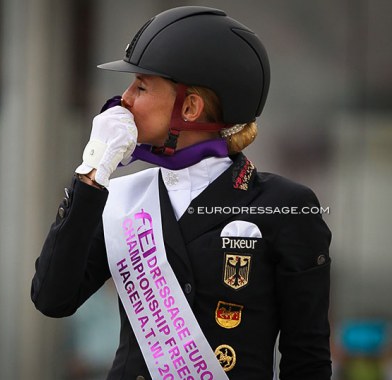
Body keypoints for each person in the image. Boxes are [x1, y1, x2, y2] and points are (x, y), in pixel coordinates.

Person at [31, 6, 332, 380]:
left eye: (140, 86)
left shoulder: (285, 205)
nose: (123, 99)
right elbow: (52, 298)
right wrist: (92, 172)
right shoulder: (120, 197)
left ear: (190, 107)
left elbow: (307, 359)